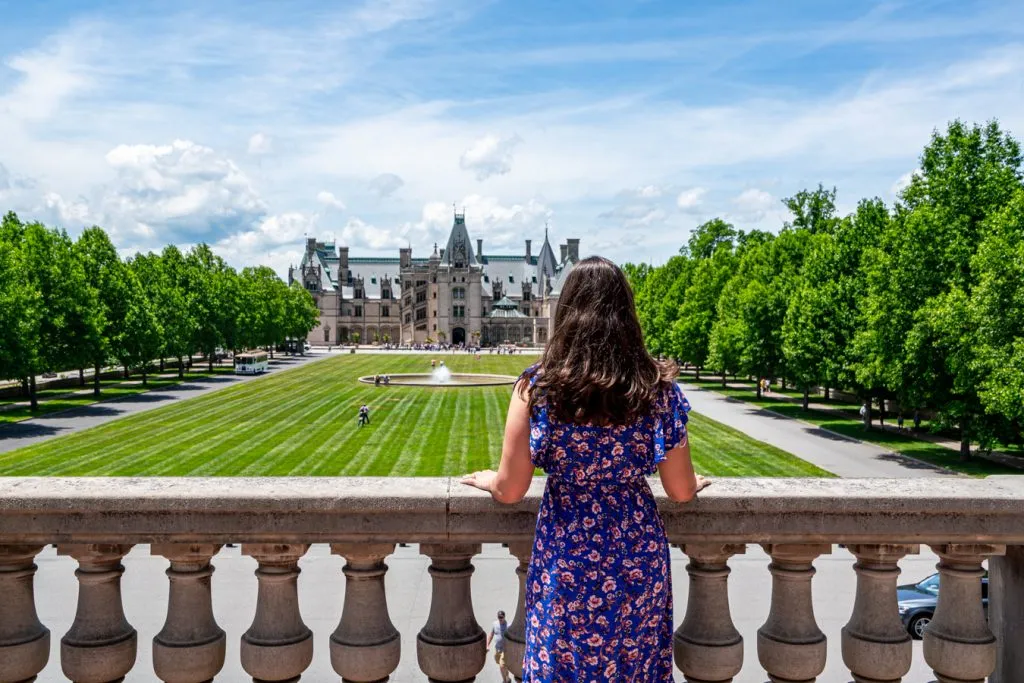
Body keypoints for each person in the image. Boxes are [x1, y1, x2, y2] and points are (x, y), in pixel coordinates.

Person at [462, 256, 708, 682]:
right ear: (627, 313)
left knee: (564, 664)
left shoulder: (539, 387)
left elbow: (511, 488)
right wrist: (695, 481)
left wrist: (489, 480)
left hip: (568, 553)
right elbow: (681, 490)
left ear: (566, 312)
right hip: (636, 555)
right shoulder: (657, 389)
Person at [487, 610, 510, 683]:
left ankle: (504, 680)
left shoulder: (508, 626)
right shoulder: (494, 624)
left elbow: (512, 638)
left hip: (505, 650)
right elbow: (491, 635)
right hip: (497, 649)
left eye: (501, 617)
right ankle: (507, 677)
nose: (500, 619)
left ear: (504, 617)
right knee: (501, 664)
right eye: (499, 617)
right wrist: (487, 645)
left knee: (502, 665)